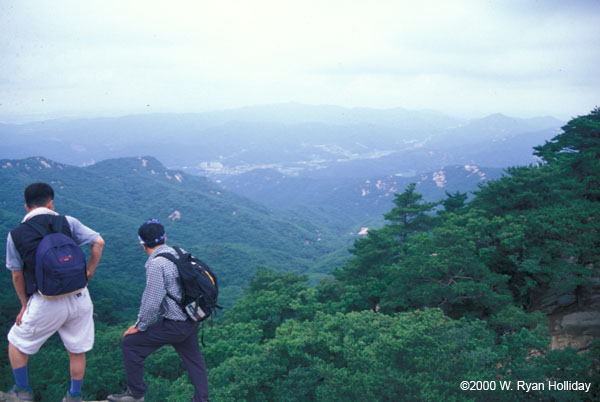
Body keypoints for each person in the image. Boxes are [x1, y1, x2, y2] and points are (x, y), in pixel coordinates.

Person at [5, 182, 105, 402]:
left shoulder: (16, 234)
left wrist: (24, 304)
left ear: (26, 206)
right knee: (76, 350)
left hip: (46, 300)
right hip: (80, 296)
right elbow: (98, 242)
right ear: (51, 203)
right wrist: (89, 270)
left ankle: (22, 392)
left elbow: (16, 275)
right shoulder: (67, 222)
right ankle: (74, 396)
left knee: (16, 342)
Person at [107, 219, 209, 402]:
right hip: (191, 318)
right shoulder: (180, 252)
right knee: (194, 361)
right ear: (164, 238)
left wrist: (140, 326)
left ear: (142, 244)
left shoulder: (156, 264)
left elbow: (152, 301)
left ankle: (135, 394)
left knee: (131, 344)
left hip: (174, 324)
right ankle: (202, 399)